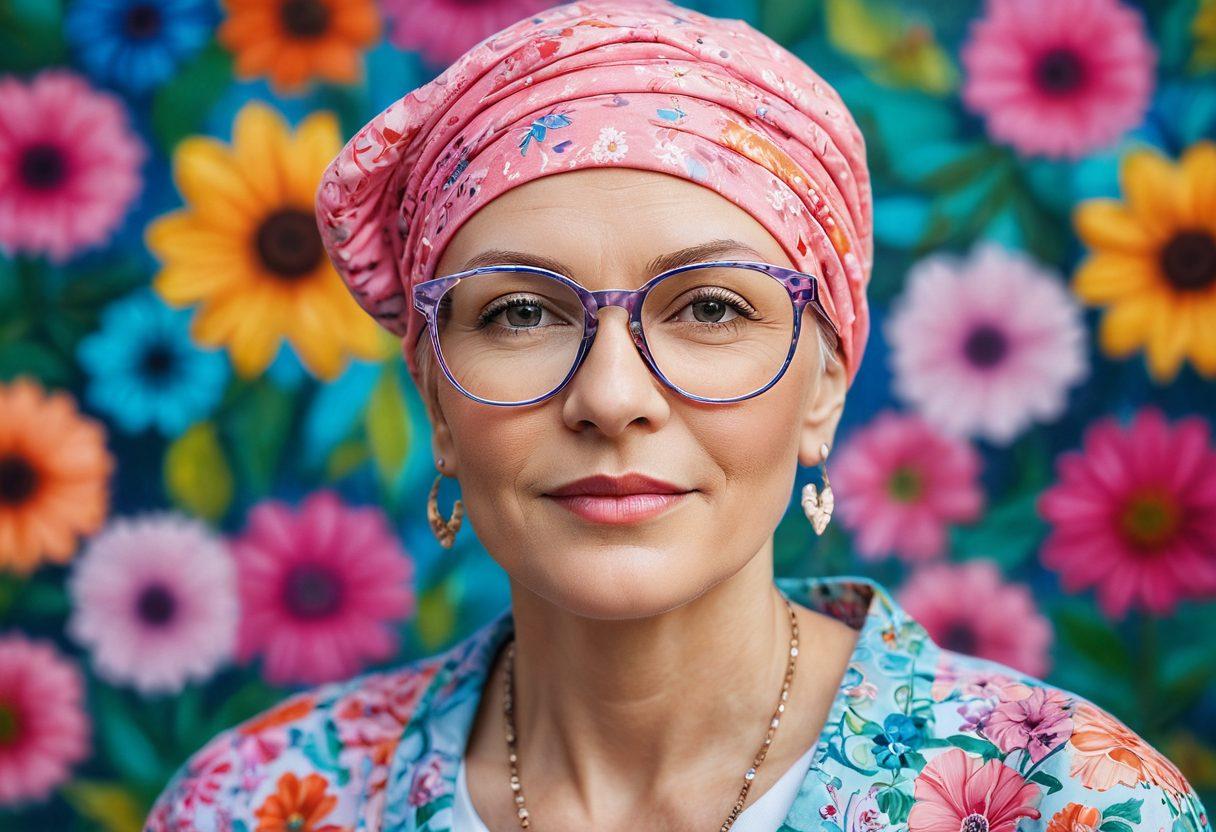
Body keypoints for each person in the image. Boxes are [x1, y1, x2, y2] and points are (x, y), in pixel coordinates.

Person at [144, 1, 1212, 831]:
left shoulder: (1071, 800)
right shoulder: (255, 800)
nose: (611, 397)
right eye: (521, 311)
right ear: (433, 393)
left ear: (826, 386)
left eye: (709, 307)